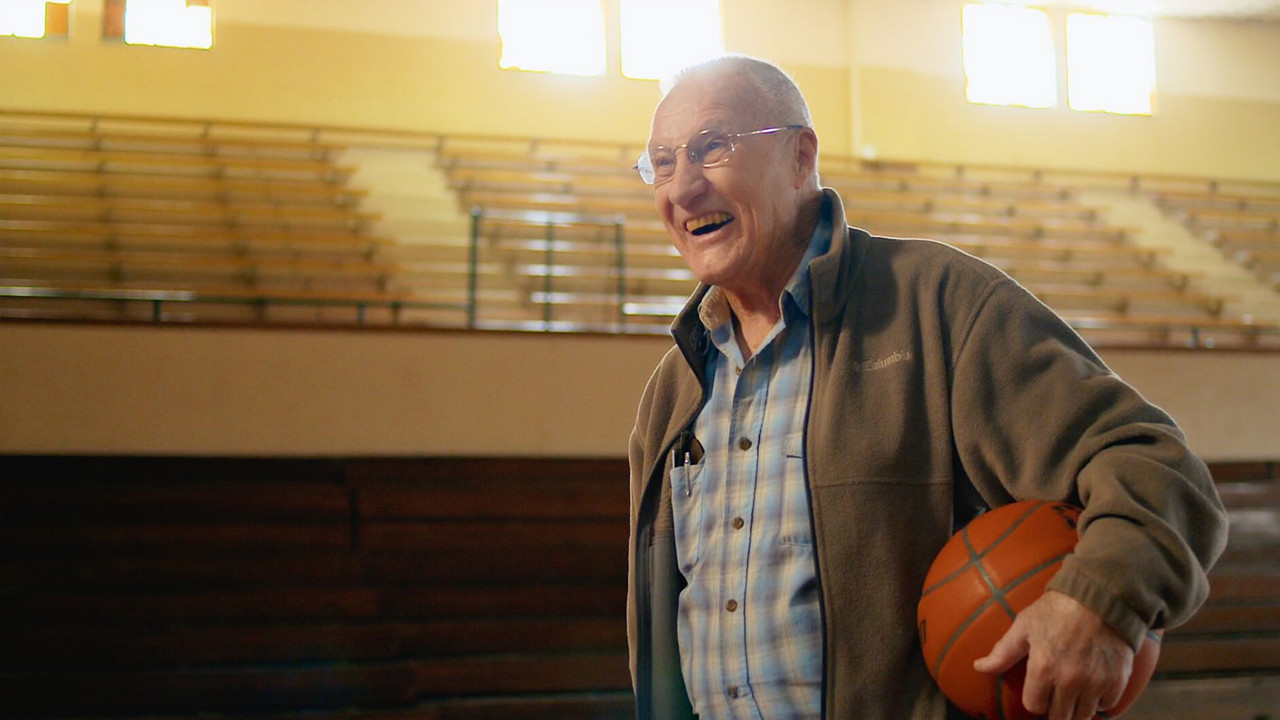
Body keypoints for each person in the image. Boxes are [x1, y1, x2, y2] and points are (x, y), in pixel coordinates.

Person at [625, 54, 1228, 720]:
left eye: (712, 149)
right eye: (661, 163)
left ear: (800, 157)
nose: (681, 189)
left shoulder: (943, 307)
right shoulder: (674, 389)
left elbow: (1156, 468)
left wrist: (1099, 598)